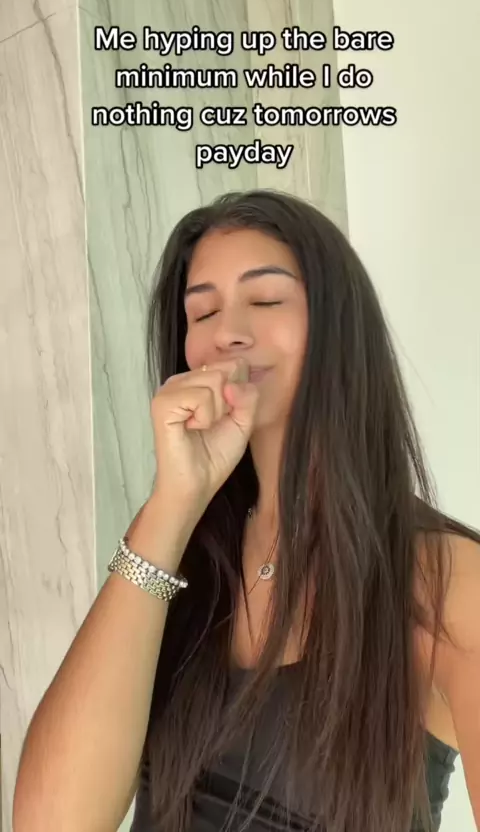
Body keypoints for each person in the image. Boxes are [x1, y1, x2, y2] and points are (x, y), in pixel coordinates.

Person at [13, 189, 480, 832]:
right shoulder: (179, 555)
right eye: (201, 312)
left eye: (265, 300)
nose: (225, 332)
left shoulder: (448, 583)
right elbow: (52, 821)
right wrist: (173, 504)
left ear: (340, 325)